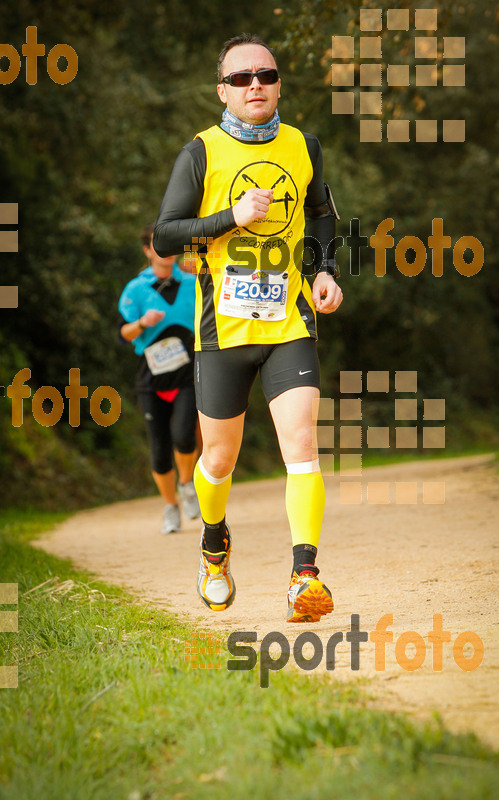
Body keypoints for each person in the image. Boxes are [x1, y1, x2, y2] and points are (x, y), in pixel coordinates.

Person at [153, 33, 342, 621]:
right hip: (222, 333)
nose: (254, 84)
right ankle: (214, 545)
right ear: (223, 92)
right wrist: (229, 218)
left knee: (303, 444)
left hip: (289, 323)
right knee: (218, 460)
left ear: (279, 82)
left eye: (265, 74)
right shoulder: (200, 154)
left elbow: (322, 213)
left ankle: (304, 577)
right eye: (240, 79)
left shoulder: (302, 145)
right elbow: (165, 235)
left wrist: (327, 269)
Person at [118, 222, 201, 534]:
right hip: (151, 380)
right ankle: (171, 507)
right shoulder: (135, 289)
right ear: (147, 250)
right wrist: (142, 322)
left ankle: (186, 483)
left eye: (169, 244)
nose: (164, 251)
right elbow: (123, 335)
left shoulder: (194, 283)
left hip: (187, 374)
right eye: (157, 244)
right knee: (159, 448)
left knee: (183, 434)